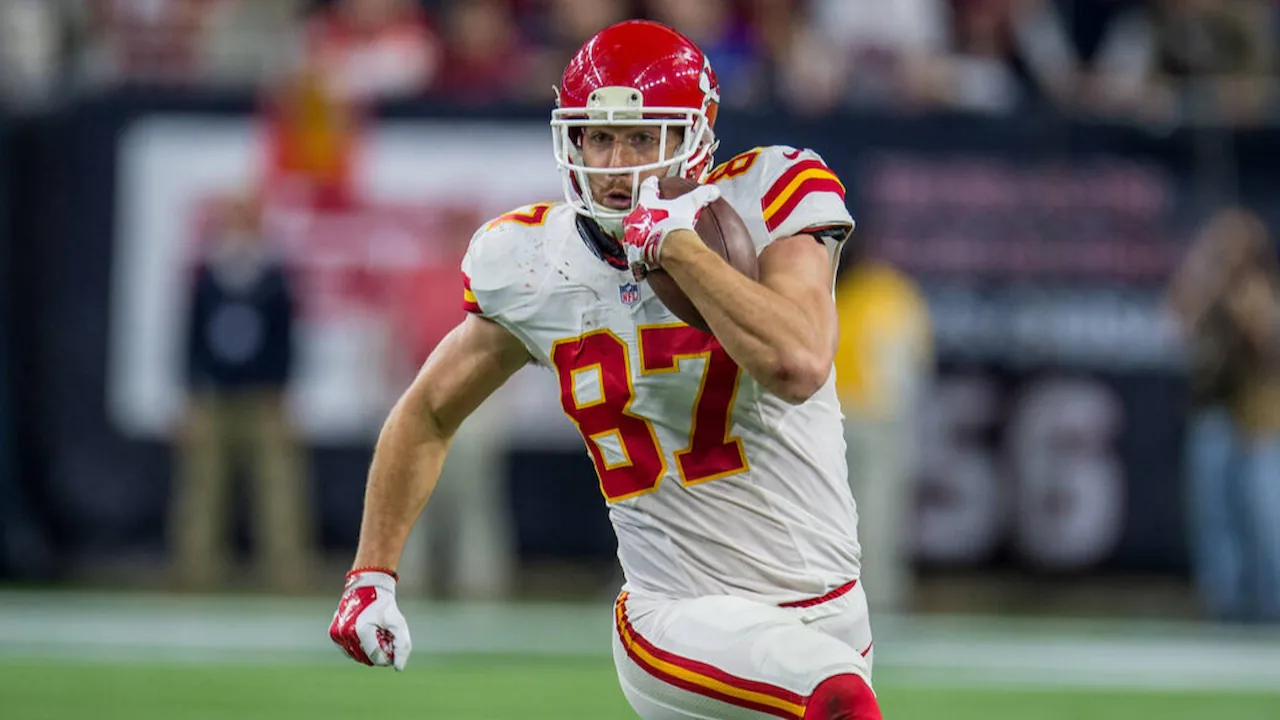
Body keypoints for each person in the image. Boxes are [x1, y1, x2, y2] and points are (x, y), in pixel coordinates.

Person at [328, 20, 881, 719]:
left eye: (643, 137)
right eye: (599, 136)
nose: (618, 164)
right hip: (675, 617)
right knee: (838, 703)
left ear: (694, 138)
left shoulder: (772, 194)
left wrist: (679, 249)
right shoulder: (534, 264)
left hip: (830, 609)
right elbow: (429, 411)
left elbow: (798, 361)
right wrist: (372, 572)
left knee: (830, 683)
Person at [173, 194, 311, 593]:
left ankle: (287, 574)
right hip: (214, 395)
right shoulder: (207, 276)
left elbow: (287, 341)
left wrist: (283, 391)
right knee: (202, 489)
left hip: (264, 396)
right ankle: (195, 572)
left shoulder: (274, 277)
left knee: (278, 490)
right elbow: (190, 339)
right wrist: (191, 393)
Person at [1169, 208, 1280, 624]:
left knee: (1264, 515)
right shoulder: (1208, 291)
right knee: (1214, 514)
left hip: (1258, 420)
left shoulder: (1259, 291)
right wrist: (1201, 270)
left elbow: (1268, 348)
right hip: (1213, 415)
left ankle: (1271, 602)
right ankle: (1225, 604)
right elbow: (1175, 322)